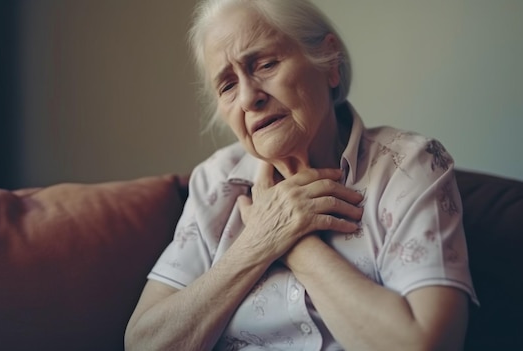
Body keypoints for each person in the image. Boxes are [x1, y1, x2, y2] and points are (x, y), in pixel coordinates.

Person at [125, 0, 478, 350]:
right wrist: (255, 245)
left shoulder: (409, 166)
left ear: (330, 63)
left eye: (265, 64)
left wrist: (293, 242)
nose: (249, 97)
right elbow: (143, 343)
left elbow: (426, 343)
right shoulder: (216, 182)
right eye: (228, 85)